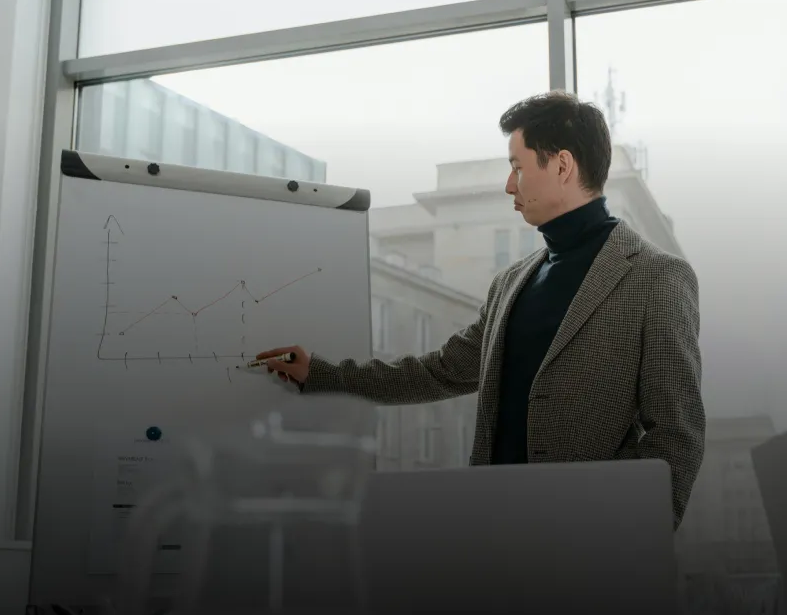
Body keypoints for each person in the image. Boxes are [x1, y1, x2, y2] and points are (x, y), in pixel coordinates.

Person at [258, 90, 707, 527]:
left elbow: (676, 432)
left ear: (563, 165)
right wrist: (322, 373)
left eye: (517, 167)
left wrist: (634, 536)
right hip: (495, 531)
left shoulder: (656, 277)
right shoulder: (510, 284)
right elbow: (436, 371)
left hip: (593, 543)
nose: (509, 184)